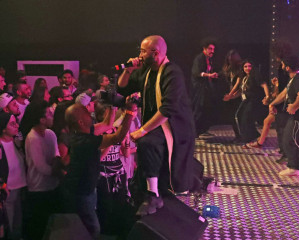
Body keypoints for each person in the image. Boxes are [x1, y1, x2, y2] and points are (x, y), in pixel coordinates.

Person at [118, 35, 195, 216]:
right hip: (155, 123)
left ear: (156, 52)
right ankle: (152, 191)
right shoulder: (147, 70)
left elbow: (168, 109)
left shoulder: (172, 72)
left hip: (173, 125)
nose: (140, 55)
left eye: (144, 51)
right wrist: (128, 70)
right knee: (148, 146)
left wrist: (142, 130)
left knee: (147, 143)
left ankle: (153, 195)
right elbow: (122, 88)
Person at [62, 99, 137, 238]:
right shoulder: (84, 141)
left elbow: (107, 124)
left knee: (91, 225)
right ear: (80, 122)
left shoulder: (82, 132)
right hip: (81, 193)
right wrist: (130, 112)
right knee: (92, 229)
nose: (90, 114)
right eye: (86, 113)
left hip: (87, 189)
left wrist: (112, 103)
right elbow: (117, 137)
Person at [268, 56, 299, 177]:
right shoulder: (293, 79)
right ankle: (295, 166)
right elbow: (284, 93)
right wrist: (273, 103)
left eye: (282, 65)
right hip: (297, 116)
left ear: (287, 67)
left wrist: (294, 106)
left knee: (289, 140)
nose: (281, 67)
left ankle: (297, 167)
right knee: (289, 139)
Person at [22, 101, 60, 240]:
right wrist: (59, 171)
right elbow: (41, 167)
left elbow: (56, 154)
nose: (53, 116)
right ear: (41, 119)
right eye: (49, 114)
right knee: (39, 226)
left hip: (52, 186)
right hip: (38, 189)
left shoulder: (50, 134)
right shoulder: (33, 138)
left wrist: (57, 163)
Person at [0, 112, 27, 239]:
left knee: (18, 220)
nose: (16, 125)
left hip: (21, 186)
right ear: (3, 128)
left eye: (16, 122)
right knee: (9, 223)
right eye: (12, 124)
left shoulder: (17, 141)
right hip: (8, 189)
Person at [232, 60, 269, 146]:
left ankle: (249, 138)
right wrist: (230, 97)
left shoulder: (255, 76)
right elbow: (241, 91)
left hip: (253, 100)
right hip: (246, 100)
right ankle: (253, 136)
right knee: (239, 116)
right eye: (245, 66)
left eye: (249, 66)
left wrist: (267, 96)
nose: (247, 68)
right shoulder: (244, 77)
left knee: (246, 118)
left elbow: (264, 84)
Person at [191, 39, 219, 137]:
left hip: (206, 88)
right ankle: (193, 132)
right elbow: (196, 72)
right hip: (199, 88)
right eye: (210, 49)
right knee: (198, 109)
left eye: (213, 49)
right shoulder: (199, 58)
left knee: (206, 110)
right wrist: (209, 75)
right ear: (204, 49)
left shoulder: (209, 59)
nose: (212, 51)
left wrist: (212, 76)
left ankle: (202, 130)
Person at [222, 49, 243, 142]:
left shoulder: (239, 68)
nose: (230, 61)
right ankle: (238, 136)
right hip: (232, 95)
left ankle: (241, 136)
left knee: (237, 116)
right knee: (232, 117)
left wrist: (230, 95)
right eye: (229, 59)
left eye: (232, 59)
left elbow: (238, 83)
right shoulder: (228, 68)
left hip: (239, 94)